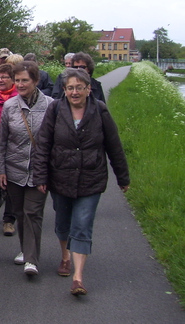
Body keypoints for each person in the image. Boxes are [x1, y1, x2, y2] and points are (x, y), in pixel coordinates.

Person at [33, 68, 130, 296]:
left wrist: (122, 177)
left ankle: (78, 277)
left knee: (83, 225)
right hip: (61, 177)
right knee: (63, 223)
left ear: (89, 89)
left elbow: (114, 147)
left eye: (79, 87)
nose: (75, 92)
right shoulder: (55, 109)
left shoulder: (100, 111)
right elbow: (43, 145)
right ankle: (65, 256)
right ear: (64, 90)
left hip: (91, 178)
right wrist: (41, 176)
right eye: (70, 88)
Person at [0, 61, 53, 276]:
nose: (20, 84)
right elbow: (2, 141)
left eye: (24, 80)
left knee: (33, 213)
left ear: (36, 81)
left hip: (40, 172)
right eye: (17, 80)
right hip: (14, 170)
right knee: (20, 212)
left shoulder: (50, 105)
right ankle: (25, 248)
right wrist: (1, 169)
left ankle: (31, 260)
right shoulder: (10, 106)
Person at [0, 64, 19, 237]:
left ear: (13, 80)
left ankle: (9, 220)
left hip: (14, 148)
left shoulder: (18, 99)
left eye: (4, 77)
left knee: (12, 185)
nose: (0, 80)